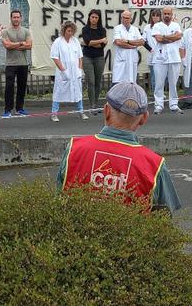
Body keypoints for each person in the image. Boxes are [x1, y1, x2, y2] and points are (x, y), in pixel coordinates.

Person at [58, 82, 181, 212]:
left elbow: (58, 200)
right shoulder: (154, 165)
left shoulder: (74, 148)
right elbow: (164, 218)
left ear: (106, 111)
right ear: (144, 118)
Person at [50, 21, 88, 122]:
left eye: (72, 31)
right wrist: (63, 71)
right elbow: (55, 57)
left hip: (75, 72)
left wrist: (79, 69)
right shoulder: (58, 42)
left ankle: (81, 111)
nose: (70, 33)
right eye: (68, 31)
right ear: (64, 31)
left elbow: (80, 57)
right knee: (58, 92)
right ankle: (54, 114)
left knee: (78, 91)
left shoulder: (75, 41)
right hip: (63, 72)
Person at [150, 6, 184, 115]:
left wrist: (166, 38)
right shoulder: (157, 26)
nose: (167, 15)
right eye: (165, 14)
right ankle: (159, 105)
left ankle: (173, 104)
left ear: (172, 14)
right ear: (162, 15)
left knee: (173, 83)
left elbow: (179, 36)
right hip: (160, 59)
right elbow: (159, 39)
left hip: (174, 58)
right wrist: (171, 37)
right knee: (159, 83)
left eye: (169, 14)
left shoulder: (176, 25)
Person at [1, 10, 32, 117]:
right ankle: (7, 110)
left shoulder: (26, 31)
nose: (16, 19)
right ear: (11, 18)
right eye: (14, 17)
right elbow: (7, 46)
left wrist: (12, 44)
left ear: (21, 18)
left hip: (23, 63)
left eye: (18, 17)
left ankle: (20, 108)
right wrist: (20, 43)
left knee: (21, 87)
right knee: (9, 87)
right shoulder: (5, 31)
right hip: (10, 64)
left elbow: (29, 46)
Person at [81, 9, 108, 111]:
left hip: (99, 58)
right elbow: (88, 42)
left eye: (96, 17)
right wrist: (100, 40)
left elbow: (102, 46)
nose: (94, 19)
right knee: (91, 81)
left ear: (99, 19)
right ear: (89, 17)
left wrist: (93, 43)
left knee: (98, 81)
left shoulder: (102, 30)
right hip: (87, 57)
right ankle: (92, 104)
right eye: (92, 17)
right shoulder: (85, 29)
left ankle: (95, 103)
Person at [112, 10, 144, 85]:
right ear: (121, 18)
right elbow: (118, 42)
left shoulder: (135, 29)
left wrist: (127, 41)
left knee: (131, 83)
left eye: (127, 18)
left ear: (131, 19)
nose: (125, 20)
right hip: (121, 61)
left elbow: (142, 42)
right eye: (123, 18)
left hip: (132, 60)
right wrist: (134, 44)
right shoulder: (117, 28)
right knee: (118, 83)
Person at [142, 8, 162, 95]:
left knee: (161, 76)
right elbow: (143, 41)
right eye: (153, 15)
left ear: (160, 17)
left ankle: (159, 92)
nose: (155, 17)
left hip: (162, 54)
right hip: (152, 54)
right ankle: (155, 93)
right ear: (151, 17)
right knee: (154, 75)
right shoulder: (147, 27)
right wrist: (151, 49)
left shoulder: (163, 27)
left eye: (157, 15)